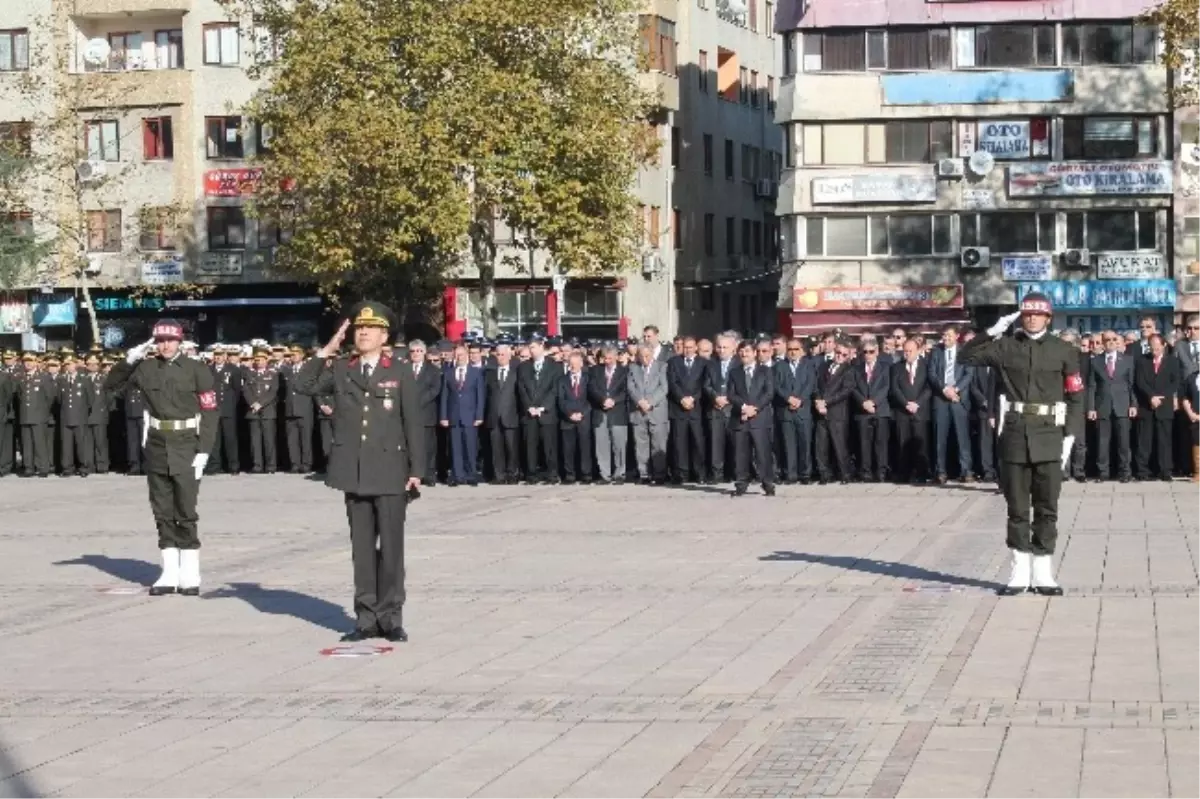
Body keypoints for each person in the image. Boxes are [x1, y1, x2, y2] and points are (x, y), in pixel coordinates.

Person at [294, 301, 425, 643]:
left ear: (385, 336)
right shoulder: (341, 368)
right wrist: (328, 348)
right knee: (362, 549)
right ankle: (365, 618)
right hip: (353, 470)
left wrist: (417, 469)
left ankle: (391, 616)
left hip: (391, 469)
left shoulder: (400, 371)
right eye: (358, 328)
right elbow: (304, 384)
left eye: (371, 329)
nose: (363, 333)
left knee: (392, 548)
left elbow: (413, 423)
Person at [959, 293, 1084, 596]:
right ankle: (1019, 571)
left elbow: (1076, 396)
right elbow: (966, 356)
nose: (1031, 318)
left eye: (1037, 314)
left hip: (1050, 433)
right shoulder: (1005, 346)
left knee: (1047, 506)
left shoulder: (1064, 350)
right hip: (1015, 433)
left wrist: (1070, 436)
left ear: (1048, 318)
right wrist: (992, 330)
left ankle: (1043, 572)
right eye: (1026, 314)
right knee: (1017, 507)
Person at [104, 320, 217, 596]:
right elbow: (111, 385)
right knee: (162, 511)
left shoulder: (196, 369)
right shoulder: (145, 368)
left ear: (180, 342)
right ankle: (168, 572)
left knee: (186, 511)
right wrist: (129, 360)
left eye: (170, 340)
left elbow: (210, 411)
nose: (165, 345)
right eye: (160, 341)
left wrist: (204, 450)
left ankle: (190, 573)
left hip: (187, 444)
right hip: (156, 444)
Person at [729, 339, 775, 497]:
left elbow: (769, 393)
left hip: (760, 418)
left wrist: (755, 408)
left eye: (747, 351)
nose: (744, 354)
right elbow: (731, 394)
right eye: (741, 351)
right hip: (740, 418)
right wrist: (743, 407)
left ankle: (767, 483)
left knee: (763, 453)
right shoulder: (734, 372)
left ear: (755, 353)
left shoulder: (765, 371)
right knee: (741, 454)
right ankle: (741, 483)